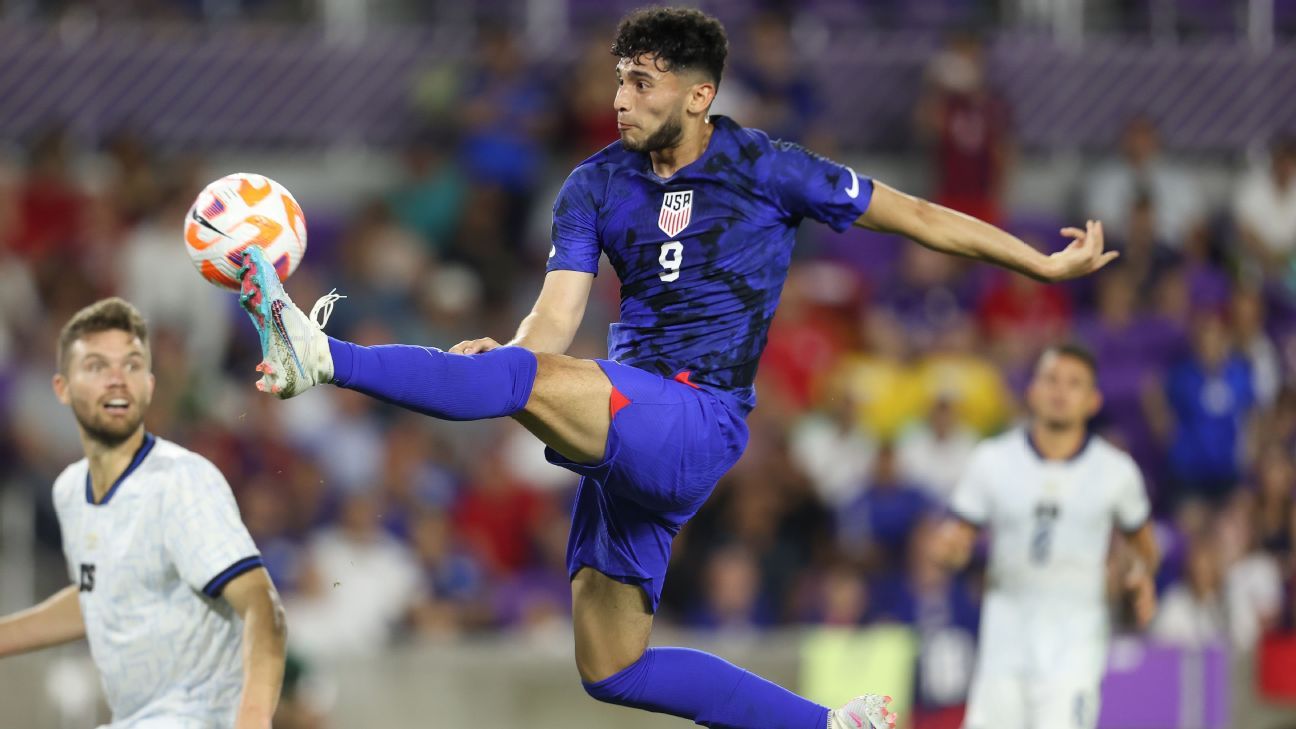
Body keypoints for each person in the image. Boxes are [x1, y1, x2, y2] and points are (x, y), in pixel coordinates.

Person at [233, 8, 1115, 729]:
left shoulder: (768, 166)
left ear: (699, 95)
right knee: (610, 667)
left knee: (522, 379)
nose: (620, 97)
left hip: (698, 420)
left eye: (641, 81)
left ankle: (323, 357)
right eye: (620, 77)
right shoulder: (593, 184)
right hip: (629, 426)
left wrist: (1038, 263)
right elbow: (556, 313)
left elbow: (916, 214)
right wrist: (513, 354)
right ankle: (829, 727)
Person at [0, 297, 287, 729]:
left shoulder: (181, 482)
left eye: (131, 365)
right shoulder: (70, 490)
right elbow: (105, 596)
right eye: (97, 366)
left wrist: (254, 715)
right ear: (61, 387)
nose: (117, 380)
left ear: (149, 386)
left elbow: (263, 607)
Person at [937, 345, 1160, 729]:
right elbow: (956, 542)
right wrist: (950, 552)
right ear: (1032, 391)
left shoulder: (1116, 472)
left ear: (1093, 402)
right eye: (1051, 380)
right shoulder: (991, 461)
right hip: (1005, 630)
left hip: (1076, 634)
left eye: (1074, 384)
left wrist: (1141, 576)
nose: (1060, 391)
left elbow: (1144, 546)